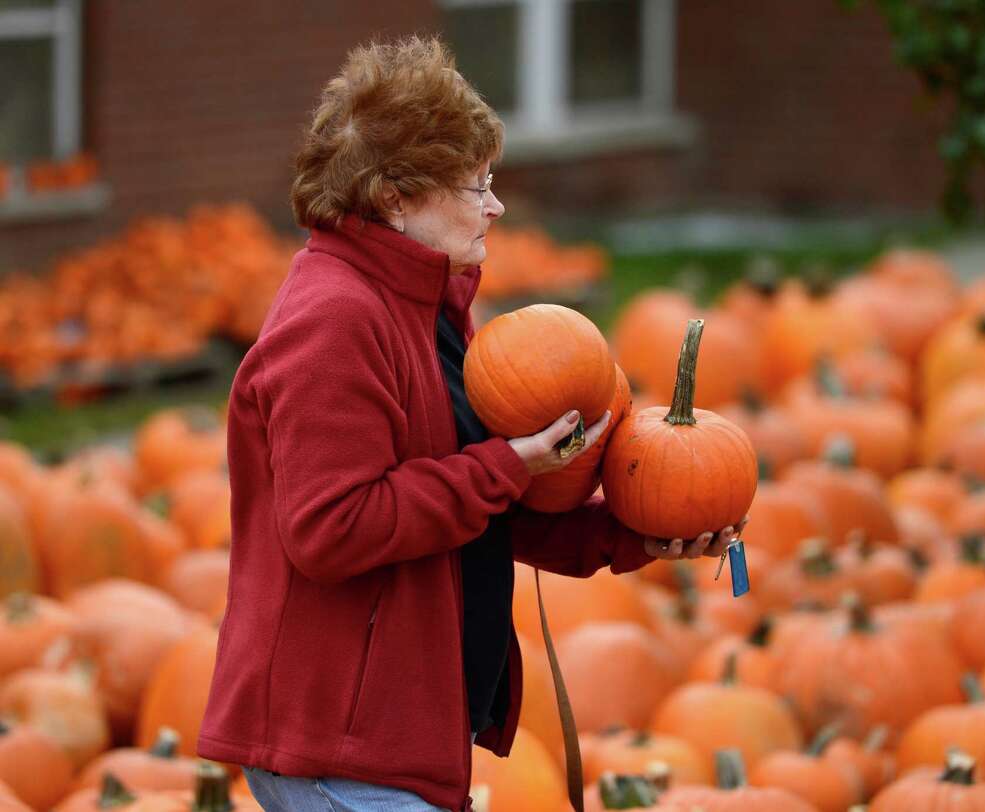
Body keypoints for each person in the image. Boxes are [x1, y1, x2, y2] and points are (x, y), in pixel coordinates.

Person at [196, 36, 744, 812]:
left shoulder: (430, 306)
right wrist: (508, 465)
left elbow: (473, 514)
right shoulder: (333, 322)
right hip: (336, 744)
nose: (496, 205)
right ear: (393, 197)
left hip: (393, 735)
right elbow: (333, 528)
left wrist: (631, 533)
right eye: (474, 185)